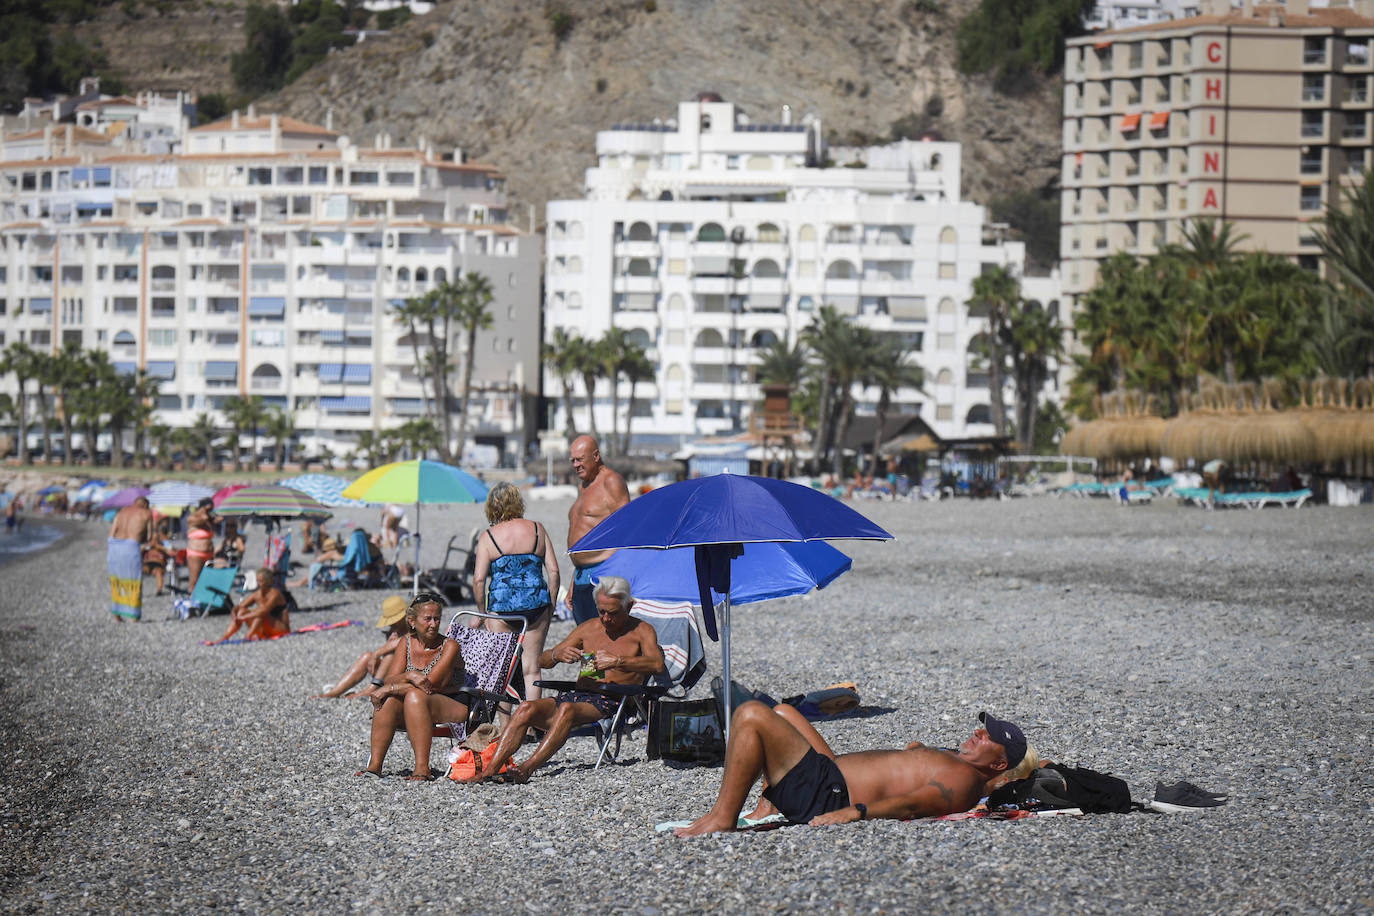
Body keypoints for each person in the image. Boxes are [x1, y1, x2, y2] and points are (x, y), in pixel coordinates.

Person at [672, 705, 1027, 837]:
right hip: (832, 776)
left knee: (751, 714)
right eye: (983, 728)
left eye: (988, 737)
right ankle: (769, 804)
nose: (979, 732)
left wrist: (854, 813)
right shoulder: (957, 762)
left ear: (998, 764)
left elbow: (914, 803)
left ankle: (722, 816)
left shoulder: (964, 779)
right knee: (783, 712)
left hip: (830, 794)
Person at [462, 575, 664, 784]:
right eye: (601, 611)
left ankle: (526, 769)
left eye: (612, 613)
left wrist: (619, 661)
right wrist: (557, 656)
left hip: (613, 700)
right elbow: (541, 661)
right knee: (525, 708)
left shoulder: (641, 631)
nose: (605, 618)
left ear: (628, 606)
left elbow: (657, 665)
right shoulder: (589, 628)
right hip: (579, 694)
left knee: (567, 708)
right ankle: (488, 772)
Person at [361, 592, 466, 781]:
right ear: (412, 621)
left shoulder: (449, 646)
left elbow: (429, 685)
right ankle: (374, 766)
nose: (433, 624)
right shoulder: (406, 642)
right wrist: (409, 675)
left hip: (454, 704)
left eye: (437, 619)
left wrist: (390, 687)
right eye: (427, 619)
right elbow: (389, 680)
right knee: (389, 701)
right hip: (418, 704)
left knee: (411, 696)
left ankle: (422, 768)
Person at [472, 482, 560, 703]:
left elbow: (479, 580)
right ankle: (530, 724)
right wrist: (550, 606)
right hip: (535, 605)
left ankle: (507, 729)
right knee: (531, 669)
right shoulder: (538, 529)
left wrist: (483, 613)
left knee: (503, 671)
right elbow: (554, 572)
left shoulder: (489, 537)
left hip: (502, 609)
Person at [565, 435, 630, 624]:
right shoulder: (582, 486)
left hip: (602, 576)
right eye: (572, 461)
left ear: (595, 456)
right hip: (580, 577)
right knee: (586, 641)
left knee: (603, 641)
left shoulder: (612, 482)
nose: (575, 465)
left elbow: (627, 530)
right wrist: (572, 581)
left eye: (580, 459)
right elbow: (583, 535)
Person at [312, 595, 410, 699]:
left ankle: (371, 689)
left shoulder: (415, 626)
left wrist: (378, 652)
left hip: (408, 675)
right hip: (392, 674)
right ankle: (334, 692)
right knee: (367, 656)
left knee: (391, 652)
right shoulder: (395, 630)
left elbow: (404, 641)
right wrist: (387, 642)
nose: (392, 623)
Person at [210, 568, 290, 643]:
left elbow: (264, 610)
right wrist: (234, 612)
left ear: (269, 582)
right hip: (265, 630)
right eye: (257, 581)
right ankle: (225, 637)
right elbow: (240, 606)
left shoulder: (275, 594)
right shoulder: (257, 594)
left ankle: (247, 636)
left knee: (260, 614)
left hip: (281, 628)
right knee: (242, 611)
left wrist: (244, 617)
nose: (258, 584)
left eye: (261, 581)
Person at [107, 496, 155, 622]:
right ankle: (133, 616)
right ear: (145, 504)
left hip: (114, 546)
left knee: (116, 580)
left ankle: (117, 615)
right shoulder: (146, 513)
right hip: (131, 546)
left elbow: (111, 533)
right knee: (134, 581)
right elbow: (150, 536)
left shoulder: (121, 512)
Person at [184, 498, 216, 594]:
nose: (209, 511)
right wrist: (206, 515)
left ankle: (204, 602)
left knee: (207, 581)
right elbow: (198, 521)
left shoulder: (208, 520)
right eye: (207, 509)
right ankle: (192, 602)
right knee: (194, 580)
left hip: (209, 553)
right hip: (195, 553)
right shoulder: (192, 517)